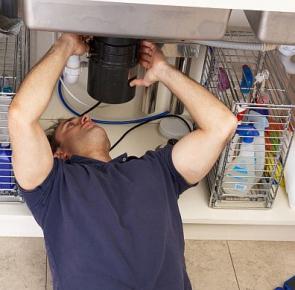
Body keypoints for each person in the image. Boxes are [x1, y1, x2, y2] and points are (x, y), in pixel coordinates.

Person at [8, 34, 237, 290]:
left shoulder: (157, 169)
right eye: (70, 124)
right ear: (59, 154)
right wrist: (65, 45)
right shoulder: (52, 188)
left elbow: (222, 126)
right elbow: (21, 116)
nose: (85, 118)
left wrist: (163, 70)